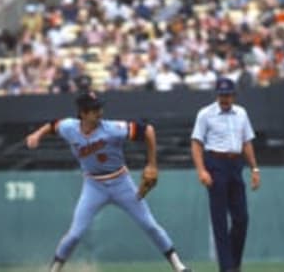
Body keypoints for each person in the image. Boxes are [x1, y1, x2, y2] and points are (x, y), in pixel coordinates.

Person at [25, 92, 191, 272]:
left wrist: (152, 165)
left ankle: (179, 267)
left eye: (99, 107)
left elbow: (148, 131)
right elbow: (53, 126)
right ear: (82, 112)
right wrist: (37, 134)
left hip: (121, 183)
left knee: (149, 225)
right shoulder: (69, 127)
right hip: (93, 186)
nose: (100, 111)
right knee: (74, 234)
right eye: (94, 109)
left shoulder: (113, 128)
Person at [190, 78, 260, 272]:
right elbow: (196, 143)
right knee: (219, 220)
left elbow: (247, 142)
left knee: (241, 219)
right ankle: (227, 268)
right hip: (216, 164)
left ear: (234, 95)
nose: (224, 99)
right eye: (221, 95)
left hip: (236, 164)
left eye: (228, 95)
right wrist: (201, 170)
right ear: (217, 95)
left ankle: (233, 263)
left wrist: (254, 169)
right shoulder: (205, 114)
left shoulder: (242, 113)